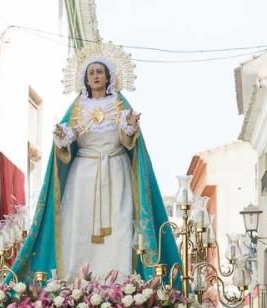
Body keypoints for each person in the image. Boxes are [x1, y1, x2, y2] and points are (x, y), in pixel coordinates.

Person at [10, 42, 181, 282]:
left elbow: (130, 141)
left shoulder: (121, 105)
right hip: (84, 173)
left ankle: (122, 283)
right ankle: (75, 283)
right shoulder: (78, 107)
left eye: (100, 72)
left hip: (116, 171)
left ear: (109, 76)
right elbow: (67, 144)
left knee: (121, 225)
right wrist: (62, 138)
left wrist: (129, 126)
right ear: (85, 79)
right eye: (91, 72)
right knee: (78, 225)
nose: (95, 76)